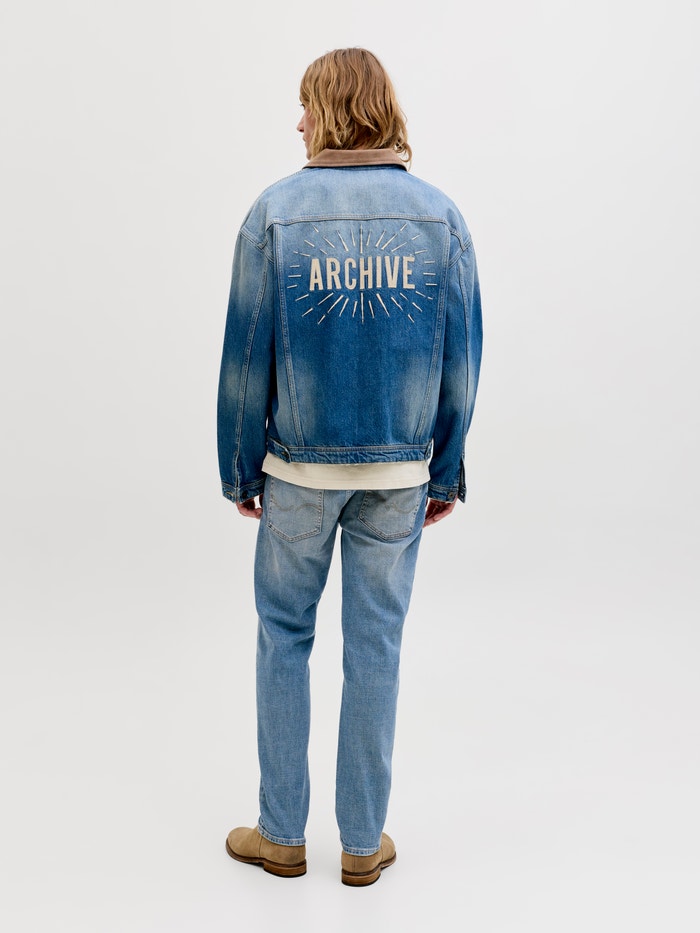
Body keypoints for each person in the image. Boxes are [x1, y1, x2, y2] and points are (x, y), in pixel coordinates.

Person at [217, 47, 482, 886]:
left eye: (307, 105)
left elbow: (244, 358)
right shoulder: (441, 218)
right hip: (399, 475)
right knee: (376, 647)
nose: (297, 122)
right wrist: (444, 468)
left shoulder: (275, 214)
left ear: (332, 111)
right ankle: (363, 843)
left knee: (283, 636)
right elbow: (463, 361)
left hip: (298, 471)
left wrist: (240, 467)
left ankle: (281, 835)